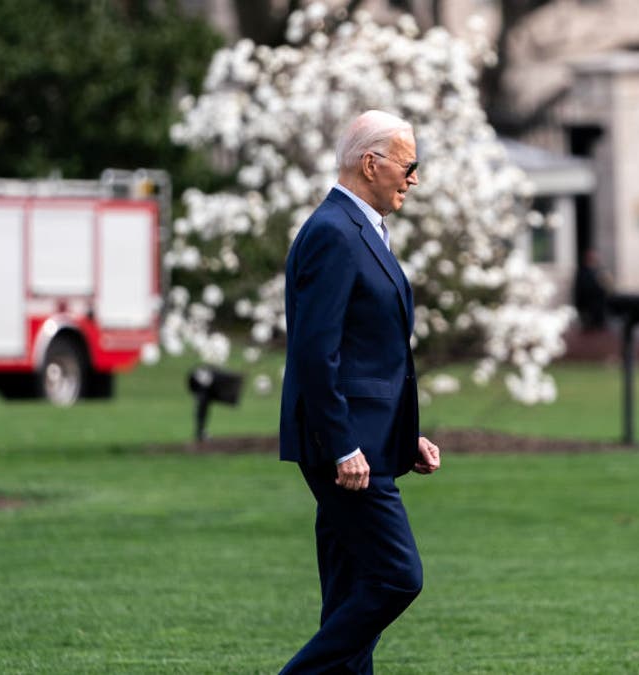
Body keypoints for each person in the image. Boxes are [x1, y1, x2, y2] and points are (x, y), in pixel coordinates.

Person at [279, 110, 442, 674]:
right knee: (398, 576)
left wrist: (403, 435)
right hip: (345, 450)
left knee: (350, 594)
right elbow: (313, 352)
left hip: (369, 442)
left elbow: (366, 353)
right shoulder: (333, 232)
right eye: (409, 165)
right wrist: (343, 443)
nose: (414, 179)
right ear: (372, 164)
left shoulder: (360, 228)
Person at [573, 247, 612, 332]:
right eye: (593, 257)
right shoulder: (583, 272)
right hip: (590, 308)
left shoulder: (597, 270)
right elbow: (585, 289)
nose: (596, 258)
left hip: (598, 309)